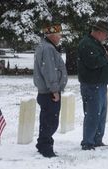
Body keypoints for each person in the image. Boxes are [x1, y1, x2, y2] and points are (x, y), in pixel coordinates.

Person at [33, 22, 68, 157]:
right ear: (51, 35)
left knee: (48, 120)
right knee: (50, 122)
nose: (60, 37)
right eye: (58, 35)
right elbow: (49, 71)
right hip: (49, 92)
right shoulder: (47, 49)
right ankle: (46, 148)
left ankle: (43, 144)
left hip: (47, 91)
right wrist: (54, 89)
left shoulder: (47, 47)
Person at [77, 20, 108, 150]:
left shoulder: (96, 43)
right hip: (92, 85)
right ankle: (88, 142)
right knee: (92, 114)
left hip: (100, 84)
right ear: (98, 32)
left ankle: (97, 140)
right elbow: (93, 62)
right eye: (106, 34)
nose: (107, 37)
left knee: (101, 114)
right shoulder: (87, 44)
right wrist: (107, 57)